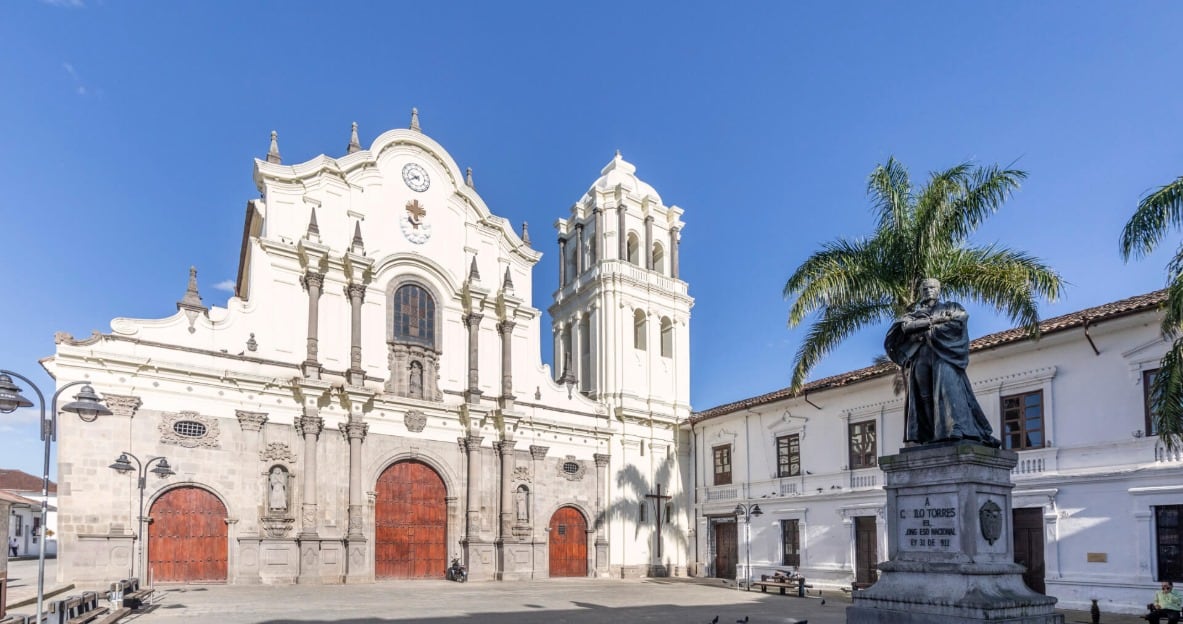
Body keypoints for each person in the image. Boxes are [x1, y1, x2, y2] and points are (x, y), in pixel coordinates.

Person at [885, 278, 1001, 447]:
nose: (929, 291)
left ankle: (955, 428)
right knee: (924, 396)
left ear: (938, 290)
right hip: (920, 357)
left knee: (949, 391)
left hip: (944, 356)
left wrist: (924, 331)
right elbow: (905, 327)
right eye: (925, 288)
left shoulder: (951, 307)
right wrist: (935, 321)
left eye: (932, 287)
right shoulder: (913, 314)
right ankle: (930, 433)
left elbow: (957, 323)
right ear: (920, 292)